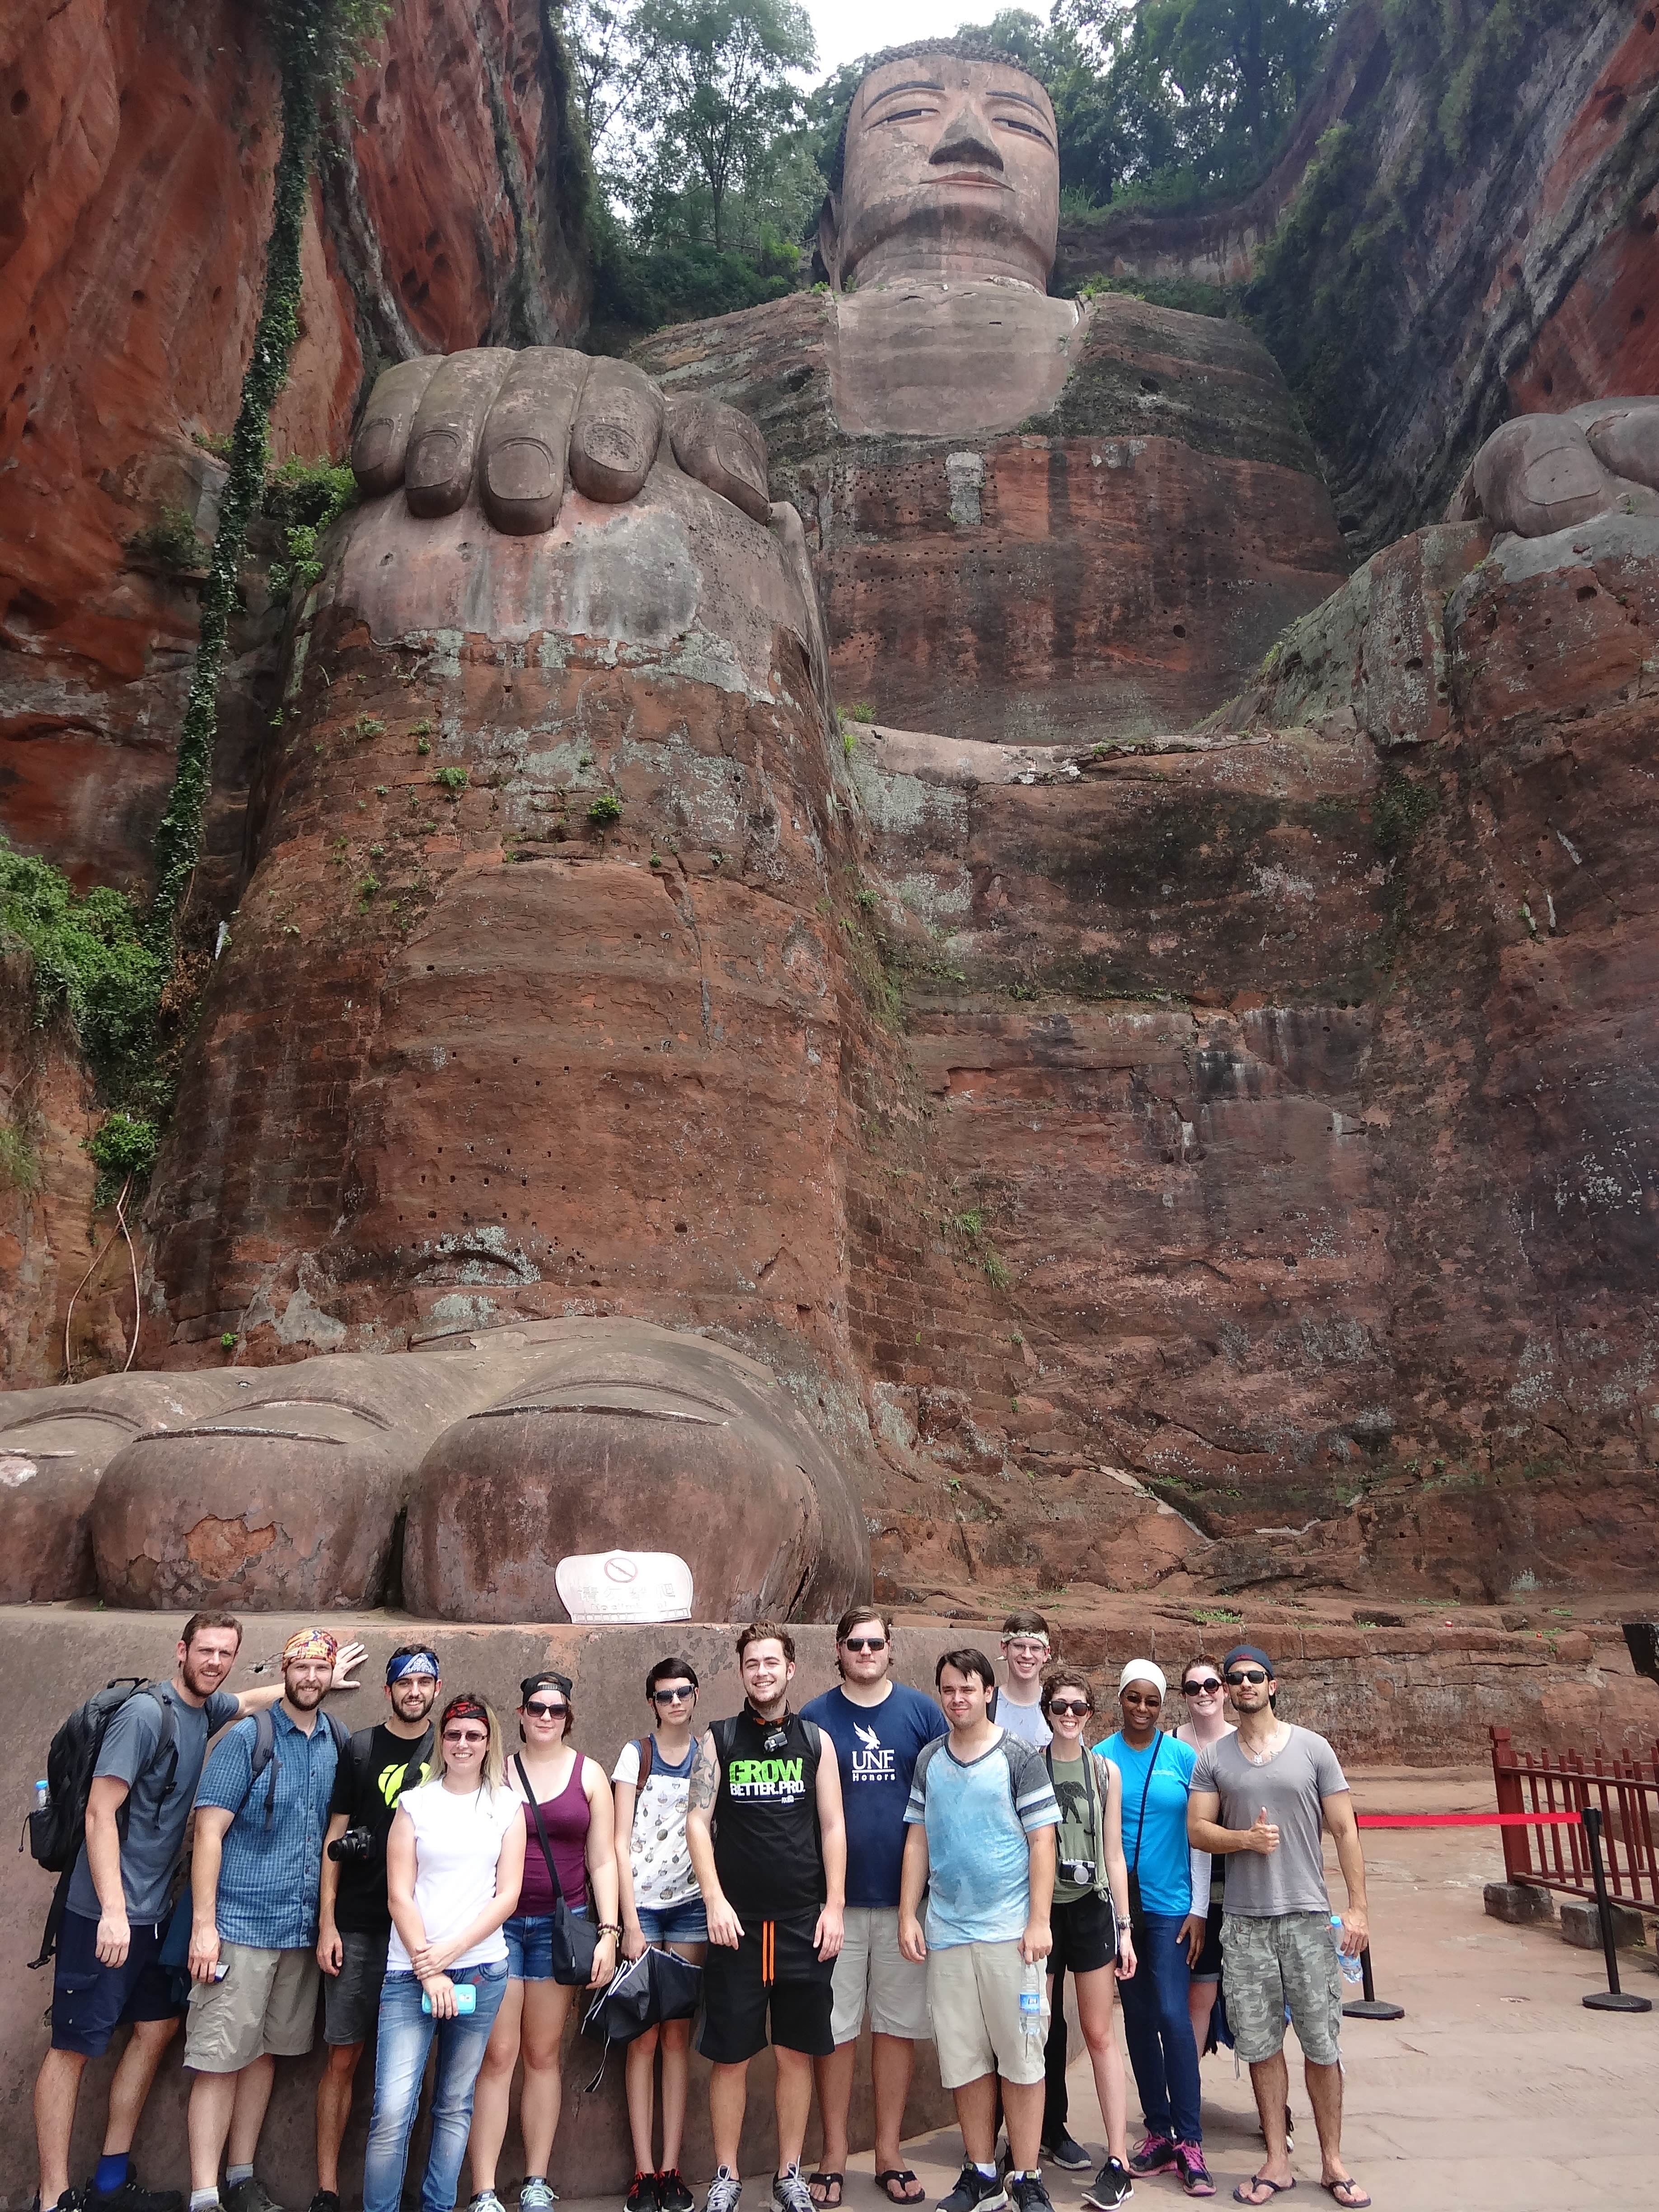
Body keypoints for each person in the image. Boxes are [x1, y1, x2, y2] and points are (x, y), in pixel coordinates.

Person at [33, 1617, 362, 2212]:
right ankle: (54, 2199)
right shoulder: (146, 1715)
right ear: (181, 1650)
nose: (214, 1662)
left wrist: (322, 1675)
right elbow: (100, 1814)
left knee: (155, 2032)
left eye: (225, 1654)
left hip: (155, 1913)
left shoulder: (207, 1712)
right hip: (104, 1912)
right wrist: (113, 1909)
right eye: (205, 1651)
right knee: (74, 2047)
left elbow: (256, 1698)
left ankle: (110, 2181)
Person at [1187, 1648, 1372, 2211]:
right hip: (1245, 1923)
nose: (1243, 1685)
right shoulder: (1215, 1757)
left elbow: (1344, 1828)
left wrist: (1358, 1908)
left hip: (1307, 1917)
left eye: (1254, 1677)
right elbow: (1198, 1829)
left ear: (1273, 1685)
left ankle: (1333, 2160)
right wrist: (1242, 1840)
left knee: (1322, 2042)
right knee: (1262, 2045)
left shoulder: (1312, 1749)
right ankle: (1276, 2158)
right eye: (1233, 1678)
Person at [185, 1629, 351, 2212]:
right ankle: (204, 2195)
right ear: (283, 1669)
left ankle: (241, 2176)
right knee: (218, 2059)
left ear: (332, 1675)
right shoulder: (247, 1739)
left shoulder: (337, 1740)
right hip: (241, 1925)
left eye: (320, 1668)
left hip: (300, 1933)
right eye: (301, 1666)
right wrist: (205, 1927)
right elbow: (208, 1832)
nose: (310, 1677)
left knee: (264, 2055)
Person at [685, 1621, 846, 2212]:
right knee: (729, 2055)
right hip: (738, 1925)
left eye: (771, 1662)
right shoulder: (720, 1739)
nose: (762, 1672)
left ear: (791, 1668)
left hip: (804, 1920)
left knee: (796, 2052)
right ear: (742, 1671)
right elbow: (697, 1822)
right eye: (752, 1663)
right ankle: (726, 2175)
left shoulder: (816, 1742)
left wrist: (834, 1906)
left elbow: (833, 1826)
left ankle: (789, 2174)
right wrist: (714, 1899)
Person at [898, 1647, 1060, 2212]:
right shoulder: (929, 1761)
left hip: (1010, 1933)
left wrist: (1039, 1921)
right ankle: (982, 2171)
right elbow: (917, 1839)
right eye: (948, 1690)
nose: (958, 1699)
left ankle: (1028, 2174)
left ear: (988, 1692)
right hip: (946, 1930)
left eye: (967, 1689)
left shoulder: (1018, 1757)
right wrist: (907, 1915)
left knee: (1020, 2057)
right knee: (964, 2059)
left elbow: (1044, 1841)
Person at [801, 1607, 946, 2211]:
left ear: (891, 1648)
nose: (865, 1651)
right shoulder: (814, 1717)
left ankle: (888, 2151)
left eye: (875, 1643)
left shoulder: (920, 1713)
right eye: (855, 1643)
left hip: (901, 1905)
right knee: (833, 2035)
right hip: (832, 1905)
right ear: (839, 1649)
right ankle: (834, 2152)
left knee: (895, 2030)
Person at [361, 1694, 526, 2212]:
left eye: (473, 1736)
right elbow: (398, 1894)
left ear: (488, 1742)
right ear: (442, 1740)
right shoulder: (416, 1804)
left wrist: (452, 1951)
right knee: (392, 2110)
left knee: (455, 2105)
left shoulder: (506, 1806)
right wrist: (427, 1966)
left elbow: (508, 1894)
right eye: (453, 1734)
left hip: (479, 1970)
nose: (462, 1744)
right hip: (410, 1974)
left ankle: (439, 2205)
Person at [469, 1671, 620, 2212]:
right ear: (521, 1712)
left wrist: (610, 1931)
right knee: (498, 2055)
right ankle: (484, 2188)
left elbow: (602, 1857)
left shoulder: (590, 1774)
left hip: (563, 1929)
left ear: (569, 1716)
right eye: (537, 1708)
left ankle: (536, 2180)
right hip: (501, 1926)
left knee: (542, 2054)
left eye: (556, 1710)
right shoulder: (499, 1772)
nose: (546, 1718)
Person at [312, 1644, 442, 2212]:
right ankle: (327, 2188)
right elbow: (333, 1840)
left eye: (424, 1682)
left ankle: (402, 2189)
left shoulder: (451, 1749)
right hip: (362, 1925)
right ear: (388, 1689)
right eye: (404, 1682)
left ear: (436, 1690)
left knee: (417, 2066)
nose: (415, 1691)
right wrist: (327, 1922)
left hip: (428, 1929)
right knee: (344, 2055)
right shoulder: (361, 1748)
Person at [1096, 1664, 1214, 2201]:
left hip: (1169, 1904)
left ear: (1162, 1705)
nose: (1142, 1709)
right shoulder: (1100, 1756)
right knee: (1139, 2017)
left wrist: (1199, 1909)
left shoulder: (1183, 1758)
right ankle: (1158, 2131)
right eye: (1133, 1698)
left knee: (1173, 2013)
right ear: (1120, 1699)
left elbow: (1199, 1835)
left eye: (1152, 1701)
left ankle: (1190, 2140)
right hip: (1120, 1908)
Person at [1033, 1672, 1136, 2211]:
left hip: (1091, 1907)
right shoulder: (1031, 1765)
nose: (1068, 1715)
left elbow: (1114, 1853)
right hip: (1044, 1910)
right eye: (1059, 1706)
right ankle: (1028, 2146)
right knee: (1038, 2028)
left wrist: (1125, 1928)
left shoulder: (1104, 1771)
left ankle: (1117, 2159)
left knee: (1099, 2033)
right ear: (1047, 1711)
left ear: (1091, 1713)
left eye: (1078, 1707)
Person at [613, 1657, 709, 2212]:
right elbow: (618, 1843)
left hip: (692, 1908)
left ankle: (672, 2166)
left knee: (677, 2036)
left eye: (683, 1693)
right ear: (652, 1701)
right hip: (643, 1910)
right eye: (665, 1694)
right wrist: (628, 1921)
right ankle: (641, 2172)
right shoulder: (637, 1754)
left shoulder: (707, 1755)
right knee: (642, 2037)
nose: (675, 1702)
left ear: (694, 1697)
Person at [1173, 1658, 1234, 2069]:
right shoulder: (1172, 1746)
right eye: (1193, 1688)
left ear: (1225, 1689)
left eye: (1211, 1684)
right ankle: (1185, 2097)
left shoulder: (1242, 1742)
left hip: (1238, 1885)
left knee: (1255, 1997)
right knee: (1196, 1992)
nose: (1204, 1693)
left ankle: (1271, 2106)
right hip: (1185, 1888)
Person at [992, 1613, 1052, 1750]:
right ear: (1004, 1648)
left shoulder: (1059, 1708)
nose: (1027, 1655)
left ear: (1046, 1653)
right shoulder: (987, 1707)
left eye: (1035, 1648)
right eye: (1019, 1646)